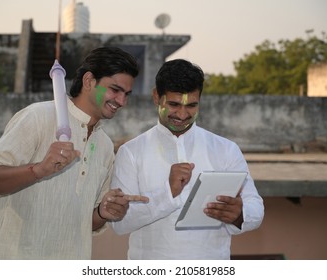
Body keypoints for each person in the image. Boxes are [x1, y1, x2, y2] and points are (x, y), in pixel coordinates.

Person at [0, 47, 148, 259]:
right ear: (89, 81)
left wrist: (103, 212)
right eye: (115, 90)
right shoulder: (38, 117)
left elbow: (87, 223)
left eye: (126, 94)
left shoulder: (104, 146)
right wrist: (37, 170)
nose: (122, 101)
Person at [110, 59, 264, 259]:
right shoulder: (131, 152)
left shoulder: (226, 150)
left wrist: (240, 215)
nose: (182, 114)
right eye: (174, 104)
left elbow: (256, 208)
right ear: (157, 96)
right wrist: (167, 194)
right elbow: (119, 223)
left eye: (191, 105)